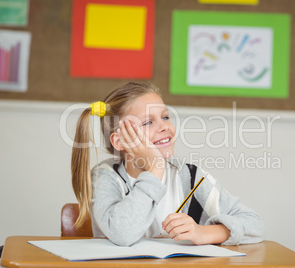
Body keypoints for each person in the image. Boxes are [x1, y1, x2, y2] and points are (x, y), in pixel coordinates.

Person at [71, 81, 264, 247]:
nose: (165, 127)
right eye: (148, 122)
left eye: (165, 117)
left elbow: (254, 224)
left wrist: (204, 233)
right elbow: (123, 234)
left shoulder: (190, 175)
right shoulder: (105, 177)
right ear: (120, 142)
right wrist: (155, 167)